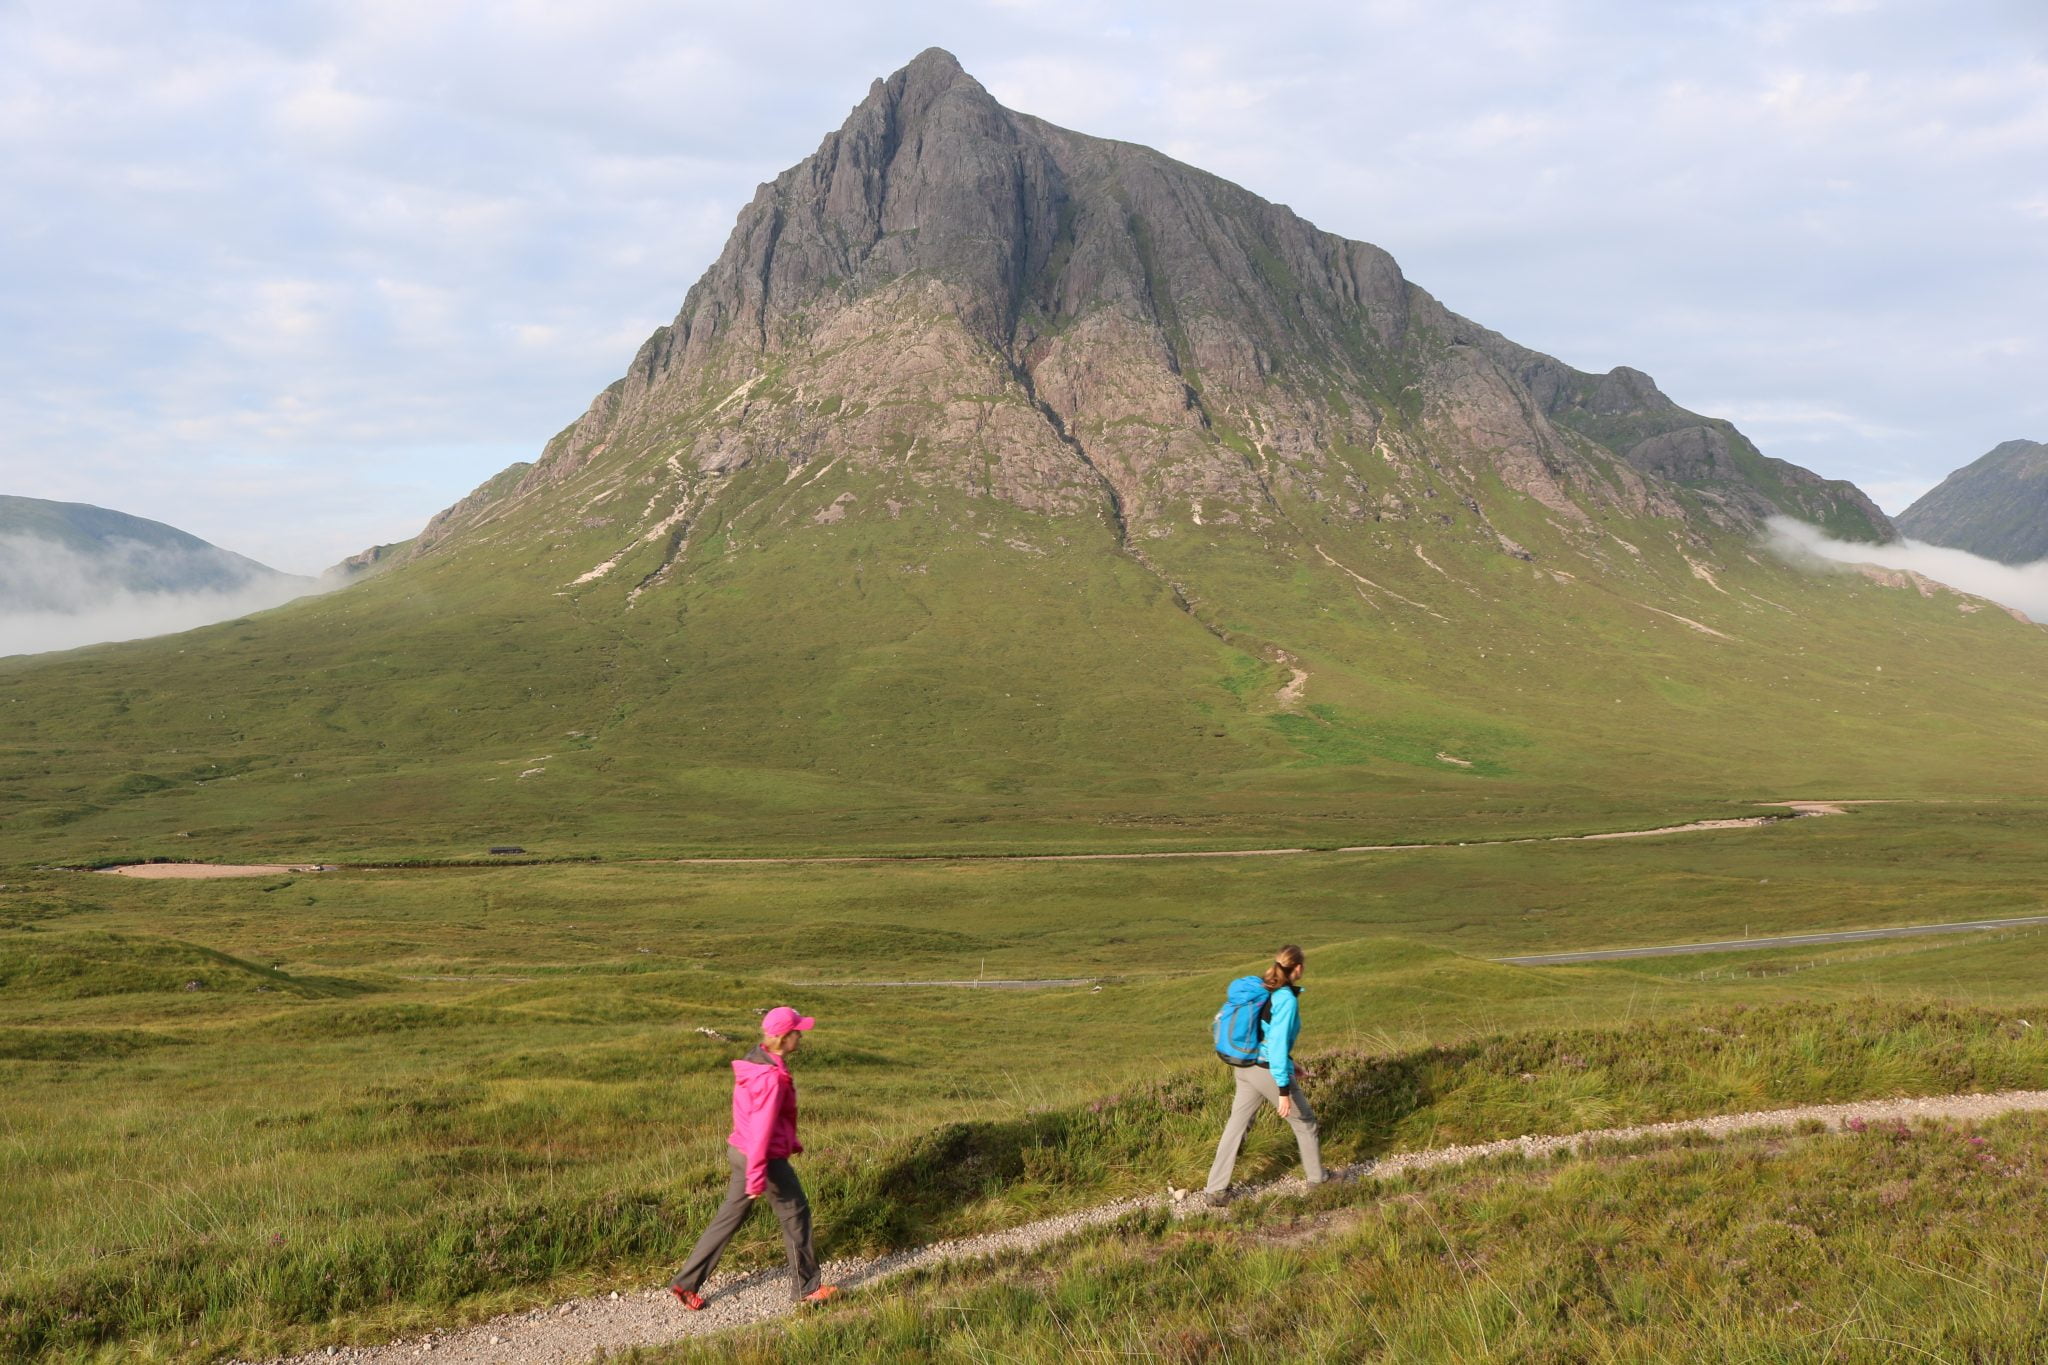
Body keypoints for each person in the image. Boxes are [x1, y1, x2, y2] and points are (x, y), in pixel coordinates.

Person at [669, 1006, 839, 1309]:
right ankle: (807, 1287)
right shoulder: (771, 1077)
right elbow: (762, 1129)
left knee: (728, 1219)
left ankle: (686, 1283)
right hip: (761, 1158)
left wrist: (789, 1141)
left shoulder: (757, 1060)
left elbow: (757, 1116)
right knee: (796, 1215)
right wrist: (758, 1175)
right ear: (785, 1038)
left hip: (741, 1150)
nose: (801, 1035)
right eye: (797, 1031)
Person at [1202, 945, 1323, 1205]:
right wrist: (1283, 1091)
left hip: (1245, 1065)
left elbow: (1264, 1033)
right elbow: (1277, 1045)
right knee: (1305, 1123)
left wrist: (1292, 1064)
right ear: (1298, 968)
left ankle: (1215, 1191)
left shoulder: (1265, 986)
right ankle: (1318, 1181)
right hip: (1266, 1070)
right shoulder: (1286, 999)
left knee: (1237, 1125)